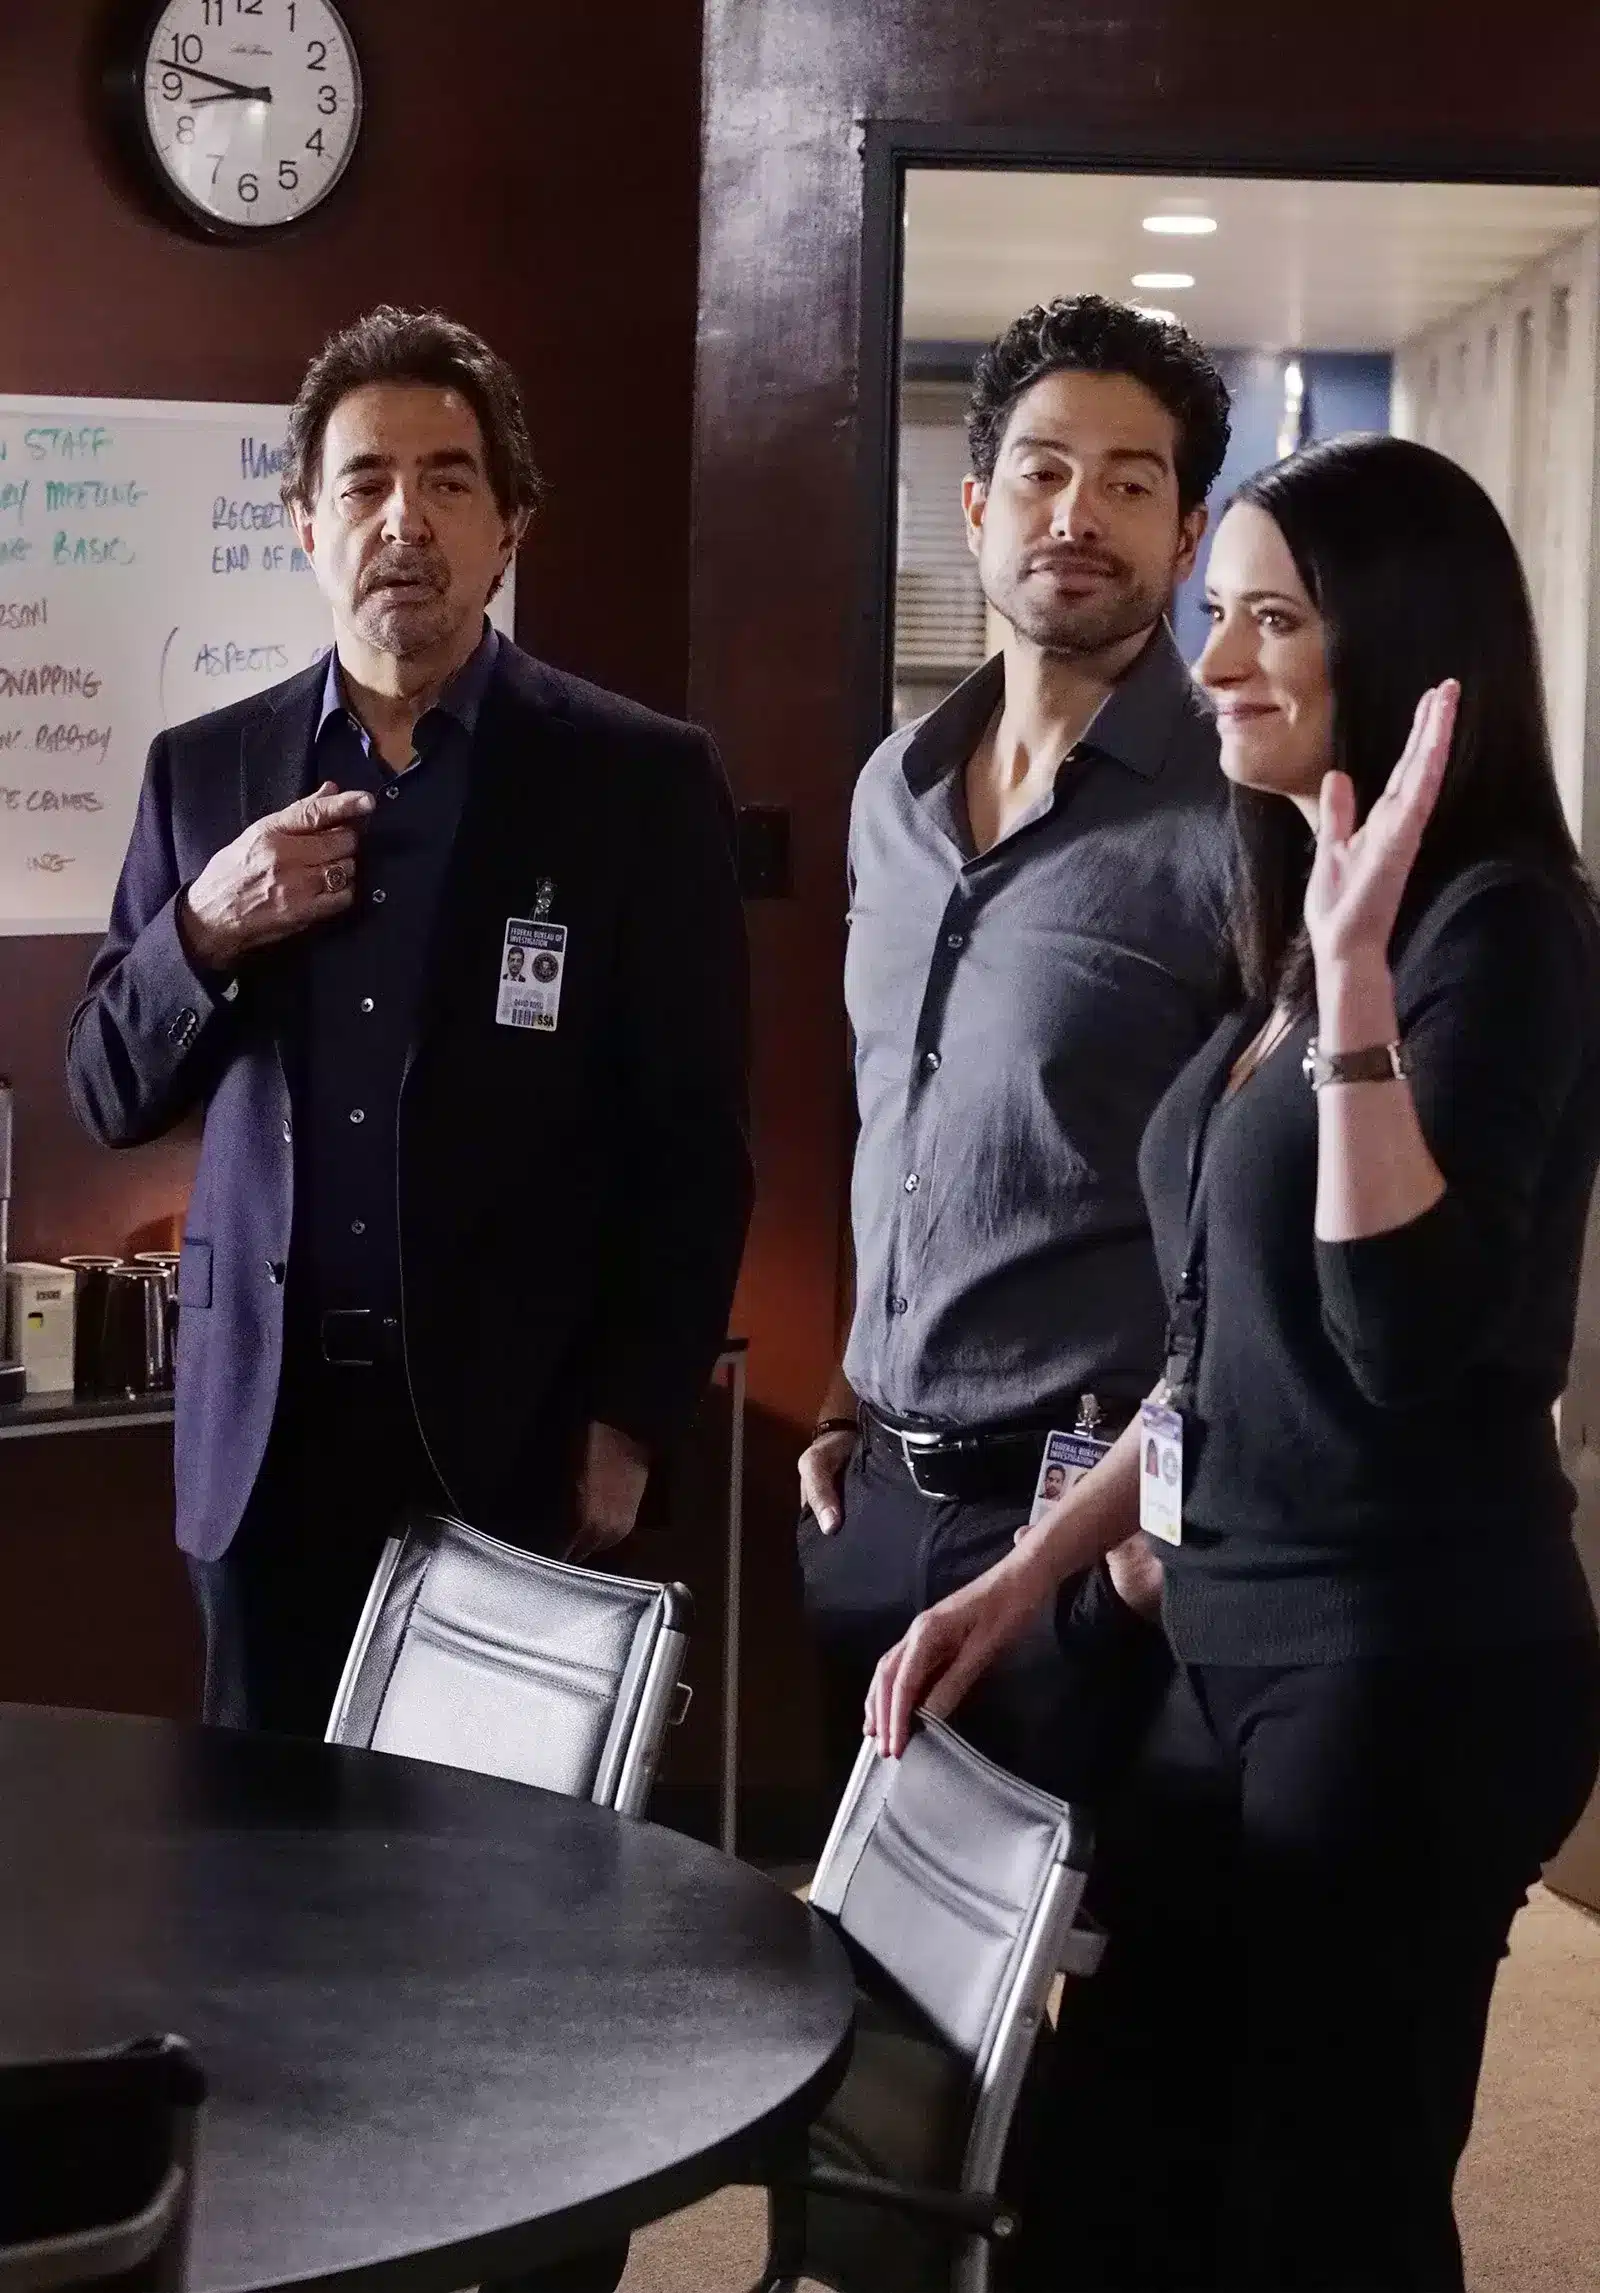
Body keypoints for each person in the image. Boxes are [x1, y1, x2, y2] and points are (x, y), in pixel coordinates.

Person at [867, 433, 1600, 2291]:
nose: (1213, 664)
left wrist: (1354, 999)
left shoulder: (1499, 928)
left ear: (1402, 641)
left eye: (1271, 620)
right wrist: (1024, 1580)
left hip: (1406, 1662)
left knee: (1320, 2216)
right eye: (1220, 616)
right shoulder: (1306, 909)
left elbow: (1399, 1333)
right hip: (1227, 1634)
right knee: (1097, 2182)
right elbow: (1218, 1355)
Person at [68, 306, 752, 1742]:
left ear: (510, 527)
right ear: (306, 523)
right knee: (259, 1854)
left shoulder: (635, 781)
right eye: (366, 482)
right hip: (264, 1443)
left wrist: (632, 1420)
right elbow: (108, 1089)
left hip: (516, 1438)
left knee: (493, 1857)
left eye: (448, 481)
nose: (405, 522)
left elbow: (694, 1146)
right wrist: (207, 925)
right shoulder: (206, 772)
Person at [796, 296, 1236, 1799]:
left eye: (1131, 482)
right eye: (1044, 471)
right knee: (868, 1935)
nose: (1078, 514)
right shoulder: (894, 791)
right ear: (979, 505)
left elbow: (1261, 1214)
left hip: (1089, 1532)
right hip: (872, 1506)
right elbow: (898, 1118)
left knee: (1087, 1935)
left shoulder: (1238, 820)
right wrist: (847, 1392)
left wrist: (1142, 1538)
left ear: (1189, 535)